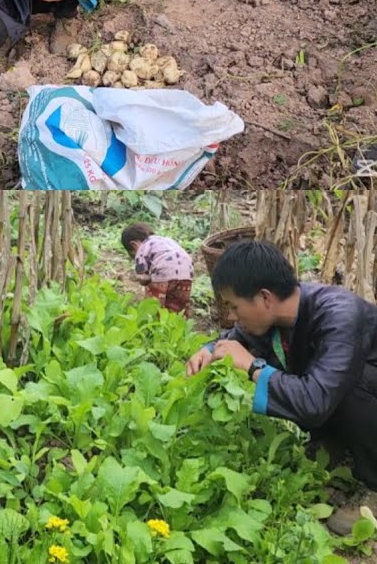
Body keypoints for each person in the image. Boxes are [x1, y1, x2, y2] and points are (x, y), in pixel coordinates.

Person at [185, 241, 377, 535]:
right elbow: (236, 336)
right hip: (340, 400)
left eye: (235, 306)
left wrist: (252, 367)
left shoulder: (340, 315)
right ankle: (338, 445)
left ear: (264, 297)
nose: (234, 316)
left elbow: (316, 401)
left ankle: (373, 485)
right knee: (317, 380)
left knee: (350, 386)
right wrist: (210, 348)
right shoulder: (280, 313)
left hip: (365, 394)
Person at [121, 223, 193, 314]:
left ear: (134, 245)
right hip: (187, 272)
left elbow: (142, 278)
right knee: (178, 308)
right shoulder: (165, 240)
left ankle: (154, 323)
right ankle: (179, 324)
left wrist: (140, 278)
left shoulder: (142, 249)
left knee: (153, 307)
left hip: (164, 271)